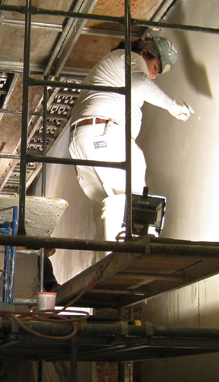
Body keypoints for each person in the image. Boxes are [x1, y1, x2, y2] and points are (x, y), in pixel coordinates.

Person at [68, 34, 193, 242]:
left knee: (110, 208)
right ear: (145, 53)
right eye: (155, 67)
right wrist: (173, 107)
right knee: (131, 198)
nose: (153, 75)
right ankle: (131, 251)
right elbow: (140, 83)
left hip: (83, 140)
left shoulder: (115, 63)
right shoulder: (129, 58)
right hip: (105, 134)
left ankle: (108, 260)